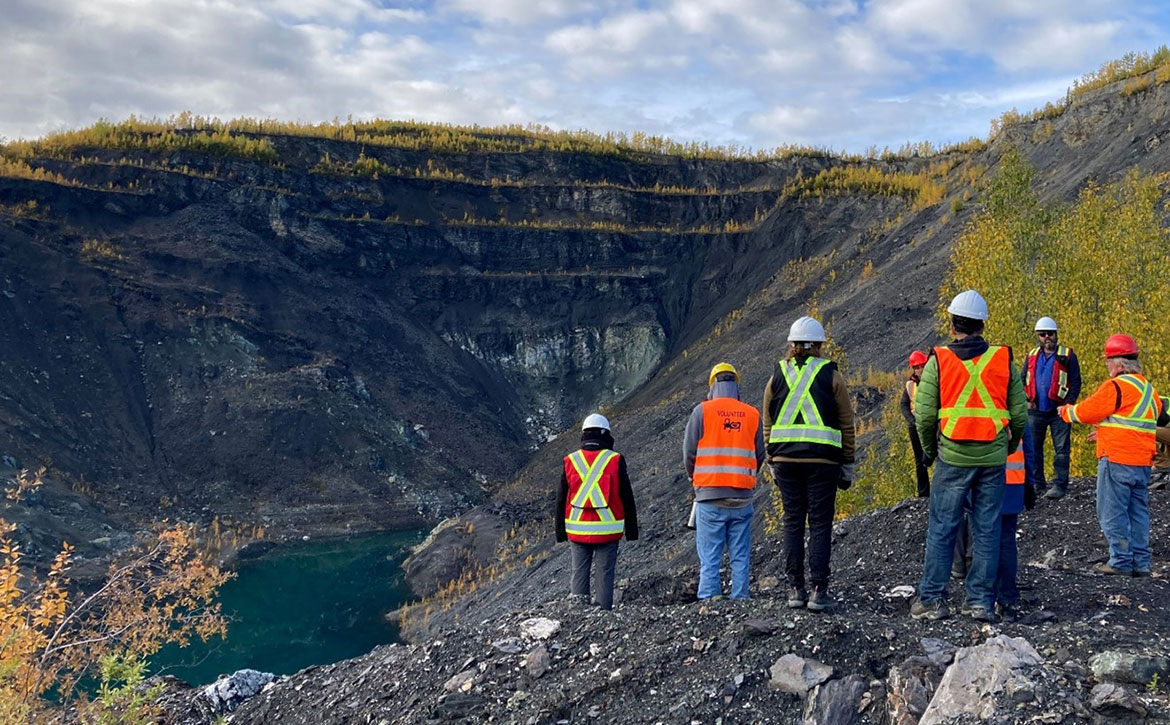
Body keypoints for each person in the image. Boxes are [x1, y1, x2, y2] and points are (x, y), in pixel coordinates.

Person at [909, 290, 1027, 622]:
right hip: (992, 459)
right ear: (982, 325)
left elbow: (924, 416)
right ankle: (980, 602)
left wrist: (931, 450)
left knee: (943, 528)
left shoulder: (938, 360)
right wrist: (1007, 447)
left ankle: (932, 599)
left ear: (952, 324)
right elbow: (1019, 414)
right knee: (988, 529)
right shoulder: (1002, 359)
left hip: (952, 458)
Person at [762, 316, 855, 613]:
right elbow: (846, 423)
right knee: (819, 523)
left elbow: (768, 420)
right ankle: (818, 590)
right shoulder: (831, 375)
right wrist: (847, 463)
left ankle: (795, 589)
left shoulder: (777, 375)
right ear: (818, 345)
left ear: (791, 345)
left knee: (792, 522)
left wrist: (771, 457)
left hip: (785, 461)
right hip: (823, 462)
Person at [1059, 335, 1167, 576]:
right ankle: (1141, 563)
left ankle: (1120, 561)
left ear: (1119, 363)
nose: (1107, 365)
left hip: (1117, 459)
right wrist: (1105, 432)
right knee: (1138, 513)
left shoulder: (1116, 386)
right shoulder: (1148, 390)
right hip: (1142, 462)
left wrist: (1066, 411)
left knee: (1111, 512)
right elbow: (1136, 422)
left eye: (1108, 360)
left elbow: (1087, 412)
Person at [683, 363, 765, 600]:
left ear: (712, 386)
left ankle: (710, 599)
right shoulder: (752, 414)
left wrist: (695, 478)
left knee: (710, 556)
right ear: (736, 385)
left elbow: (689, 452)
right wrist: (745, 477)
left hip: (710, 497)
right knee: (740, 554)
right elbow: (759, 454)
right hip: (742, 498)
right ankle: (740, 597)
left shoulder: (702, 412)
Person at [555, 413, 638, 609]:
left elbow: (560, 499)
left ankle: (578, 613)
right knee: (605, 574)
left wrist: (560, 533)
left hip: (577, 529)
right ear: (605, 434)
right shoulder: (615, 460)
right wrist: (632, 531)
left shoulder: (570, 460)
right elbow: (627, 496)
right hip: (608, 531)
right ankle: (603, 614)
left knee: (578, 573)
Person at [1021, 317, 1082, 499]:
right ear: (1038, 336)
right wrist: (1026, 399)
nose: (1047, 337)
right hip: (1035, 410)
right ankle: (1038, 484)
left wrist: (1067, 404)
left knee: (1061, 450)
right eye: (1043, 334)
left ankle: (1060, 485)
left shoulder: (1067, 355)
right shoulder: (1032, 355)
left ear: (1056, 334)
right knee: (1034, 449)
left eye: (1050, 333)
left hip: (1059, 411)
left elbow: (1076, 382)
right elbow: (1023, 379)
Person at [994, 424, 1037, 622]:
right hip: (1013, 482)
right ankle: (1007, 600)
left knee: (984, 540)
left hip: (984, 483)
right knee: (1007, 541)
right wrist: (1030, 482)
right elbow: (1027, 445)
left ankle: (983, 598)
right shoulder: (1016, 409)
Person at [901, 350, 931, 497]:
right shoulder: (910, 385)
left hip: (931, 425)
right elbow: (904, 405)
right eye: (917, 367)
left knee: (936, 456)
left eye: (922, 366)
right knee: (920, 461)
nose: (920, 370)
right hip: (916, 426)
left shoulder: (933, 381)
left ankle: (941, 492)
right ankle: (923, 493)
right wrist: (912, 421)